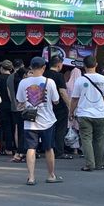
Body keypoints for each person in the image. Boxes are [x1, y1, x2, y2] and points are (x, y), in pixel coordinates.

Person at [16, 57, 62, 185]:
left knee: (31, 148)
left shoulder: (23, 83)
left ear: (30, 67)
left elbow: (20, 101)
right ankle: (51, 175)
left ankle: (31, 177)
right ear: (43, 68)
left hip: (30, 121)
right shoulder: (50, 82)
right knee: (49, 148)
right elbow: (56, 100)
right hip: (47, 120)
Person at [70, 55, 104, 172]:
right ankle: (99, 164)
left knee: (86, 139)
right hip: (100, 114)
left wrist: (71, 112)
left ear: (84, 66)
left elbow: (74, 99)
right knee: (99, 139)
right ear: (96, 65)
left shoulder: (80, 80)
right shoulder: (103, 79)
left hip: (84, 113)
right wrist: (103, 107)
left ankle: (89, 164)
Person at [44, 56, 72, 160]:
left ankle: (47, 148)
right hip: (59, 106)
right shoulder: (59, 76)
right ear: (59, 64)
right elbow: (63, 92)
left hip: (46, 106)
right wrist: (70, 106)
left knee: (48, 128)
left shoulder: (44, 74)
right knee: (60, 129)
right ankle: (59, 151)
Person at [8, 59, 27, 162]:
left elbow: (10, 95)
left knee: (18, 129)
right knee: (23, 131)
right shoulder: (23, 83)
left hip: (15, 107)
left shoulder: (10, 78)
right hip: (24, 109)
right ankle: (21, 152)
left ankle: (19, 151)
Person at [0, 60, 14, 155]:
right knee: (13, 126)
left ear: (2, 68)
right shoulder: (14, 77)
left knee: (5, 127)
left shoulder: (0, 78)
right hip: (13, 105)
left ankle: (6, 147)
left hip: (3, 105)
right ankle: (13, 147)